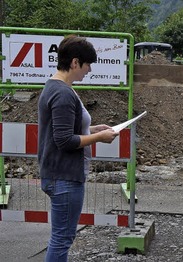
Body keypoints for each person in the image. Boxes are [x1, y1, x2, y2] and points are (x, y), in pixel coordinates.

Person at [37, 35, 119, 261]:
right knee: (62, 239)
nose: (89, 70)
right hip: (64, 177)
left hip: (58, 175)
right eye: (87, 64)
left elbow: (63, 129)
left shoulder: (54, 87)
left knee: (61, 237)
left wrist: (91, 129)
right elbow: (64, 140)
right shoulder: (63, 93)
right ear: (75, 63)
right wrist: (100, 137)